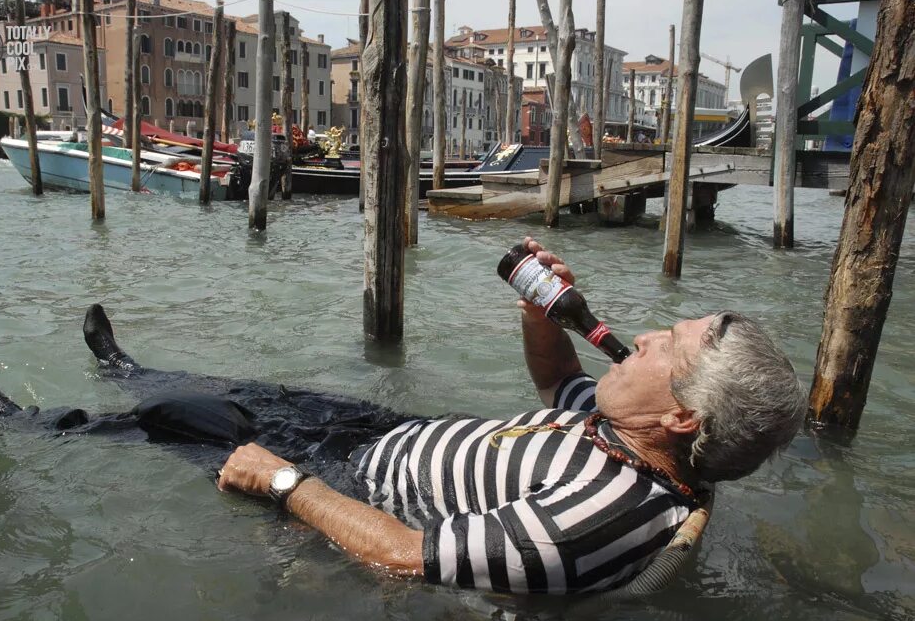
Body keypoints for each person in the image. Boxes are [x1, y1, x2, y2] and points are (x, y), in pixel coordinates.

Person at [218, 237, 808, 595]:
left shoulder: (596, 521)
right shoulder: (635, 432)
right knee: (212, 390)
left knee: (170, 417)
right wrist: (539, 313)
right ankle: (122, 369)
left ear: (683, 416)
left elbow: (402, 554)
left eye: (667, 343)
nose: (646, 336)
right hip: (382, 433)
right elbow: (558, 381)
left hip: (343, 485)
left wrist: (283, 481)